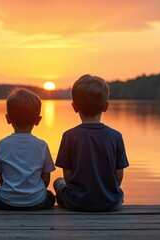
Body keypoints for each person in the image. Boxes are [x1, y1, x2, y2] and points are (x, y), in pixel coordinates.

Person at [53, 74, 129, 211]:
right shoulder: (116, 136)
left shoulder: (69, 136)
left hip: (77, 203)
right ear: (105, 107)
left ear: (74, 107)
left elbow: (67, 176)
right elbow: (118, 176)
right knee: (119, 193)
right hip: (110, 203)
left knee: (58, 182)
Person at [0, 88, 56, 210]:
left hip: (6, 202)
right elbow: (46, 179)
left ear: (8, 118)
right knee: (51, 197)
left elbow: (0, 177)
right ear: (38, 120)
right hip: (36, 202)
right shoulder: (42, 145)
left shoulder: (2, 144)